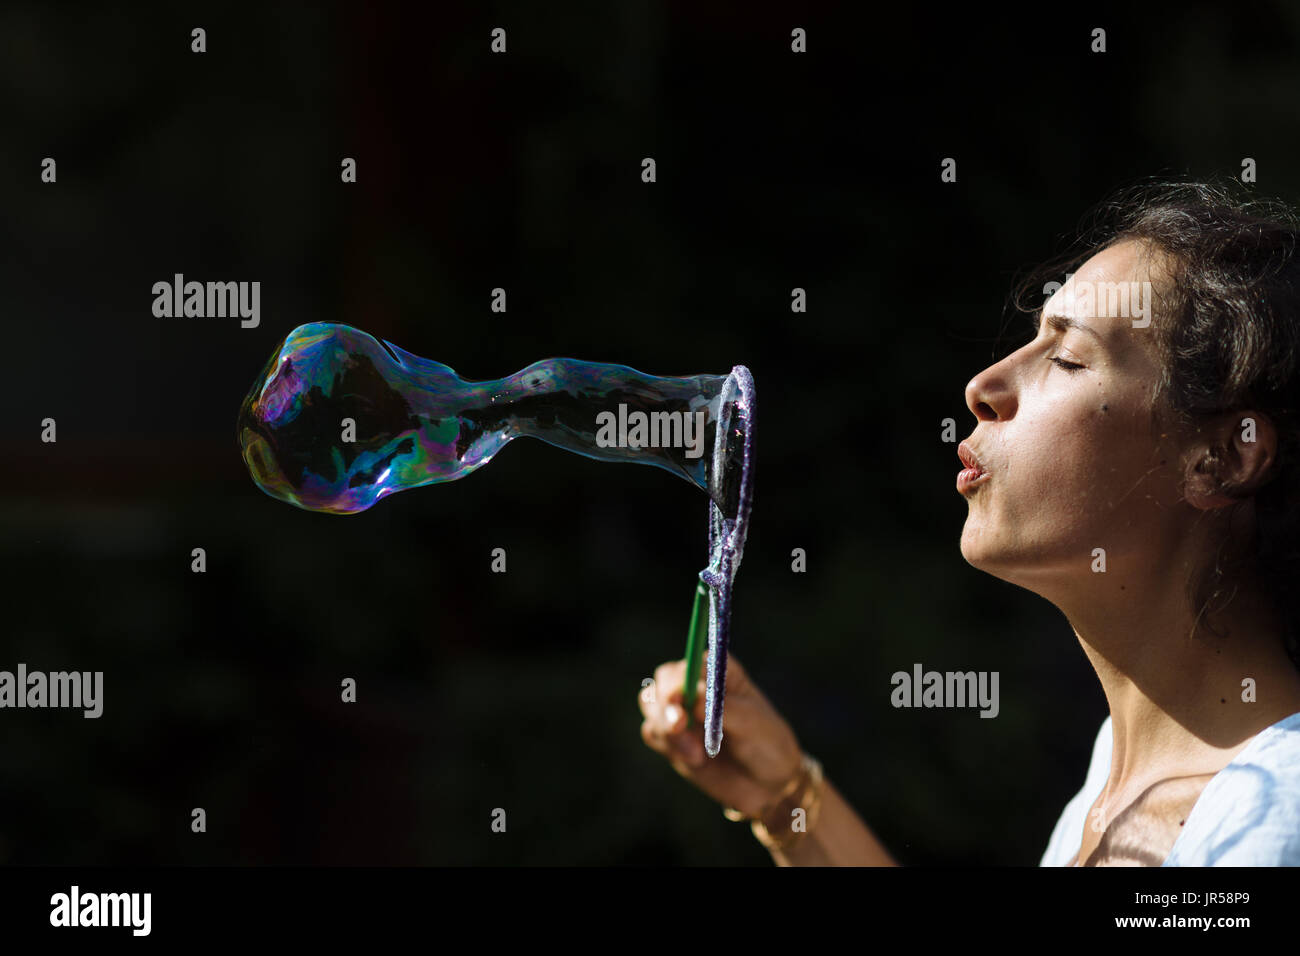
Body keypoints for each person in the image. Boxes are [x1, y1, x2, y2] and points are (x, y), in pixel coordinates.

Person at [639, 179, 1300, 866]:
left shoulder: (1272, 814)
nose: (982, 386)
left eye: (1069, 359)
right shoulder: (1116, 785)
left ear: (1221, 459)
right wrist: (786, 798)